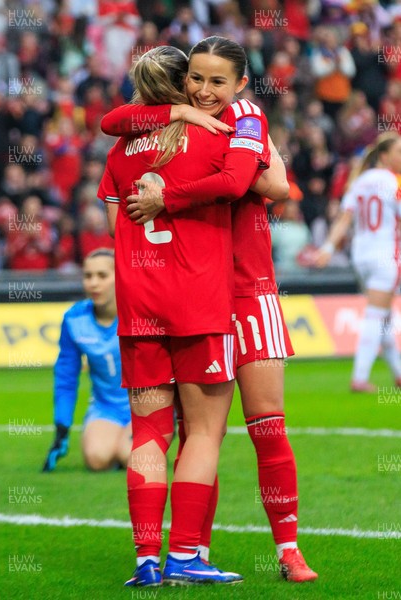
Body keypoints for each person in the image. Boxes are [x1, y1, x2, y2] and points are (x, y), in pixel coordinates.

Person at [101, 36, 317, 583]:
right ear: (179, 83)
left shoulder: (241, 117)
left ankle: (287, 550)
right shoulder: (184, 128)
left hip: (247, 290)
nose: (204, 91)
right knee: (203, 431)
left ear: (239, 82)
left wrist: (251, 132)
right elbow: (274, 186)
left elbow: (275, 185)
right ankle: (189, 552)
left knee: (262, 426)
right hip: (200, 296)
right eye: (194, 80)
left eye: (216, 81)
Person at [316, 134, 401, 392]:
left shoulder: (360, 181)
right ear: (385, 156)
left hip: (360, 257)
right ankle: (360, 378)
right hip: (386, 256)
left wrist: (328, 248)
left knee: (382, 315)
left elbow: (344, 219)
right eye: (398, 152)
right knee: (376, 316)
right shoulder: (392, 182)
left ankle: (398, 373)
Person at [42, 249, 131, 472]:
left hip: (146, 406)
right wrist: (61, 430)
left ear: (120, 276)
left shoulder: (139, 312)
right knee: (97, 459)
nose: (93, 283)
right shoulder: (74, 319)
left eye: (102, 276)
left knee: (131, 456)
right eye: (88, 276)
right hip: (105, 407)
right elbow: (66, 377)